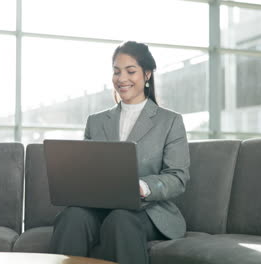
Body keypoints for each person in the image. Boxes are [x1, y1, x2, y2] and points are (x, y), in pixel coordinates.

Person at [49, 40, 190, 264]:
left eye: (130, 71)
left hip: (148, 211)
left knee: (120, 219)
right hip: (98, 208)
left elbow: (177, 178)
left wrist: (142, 187)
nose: (121, 78)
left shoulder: (170, 121)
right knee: (72, 216)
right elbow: (85, 171)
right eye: (116, 72)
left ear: (147, 74)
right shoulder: (95, 122)